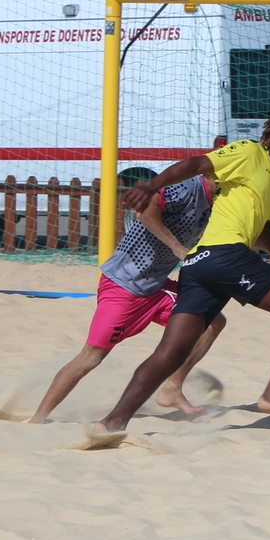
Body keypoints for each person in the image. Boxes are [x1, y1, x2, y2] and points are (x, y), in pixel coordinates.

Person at [92, 108, 270, 434]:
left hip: (199, 266)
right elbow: (196, 165)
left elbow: (262, 227)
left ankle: (112, 422)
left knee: (170, 353)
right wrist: (152, 185)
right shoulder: (248, 152)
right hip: (225, 255)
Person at [30, 174, 224, 424]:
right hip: (123, 285)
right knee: (90, 358)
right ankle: (38, 418)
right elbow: (144, 208)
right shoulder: (187, 188)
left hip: (156, 287)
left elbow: (249, 228)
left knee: (213, 321)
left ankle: (173, 388)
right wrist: (175, 246)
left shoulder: (221, 200)